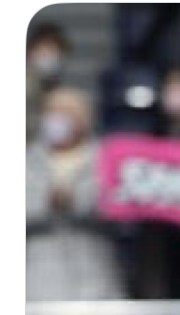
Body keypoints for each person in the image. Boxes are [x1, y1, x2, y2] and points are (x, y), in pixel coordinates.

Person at [26, 86, 127, 301]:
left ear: (84, 118)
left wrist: (78, 201)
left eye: (66, 112)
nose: (57, 119)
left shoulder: (108, 158)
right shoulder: (26, 160)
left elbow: (122, 207)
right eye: (52, 111)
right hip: (37, 283)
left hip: (97, 278)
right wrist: (46, 203)